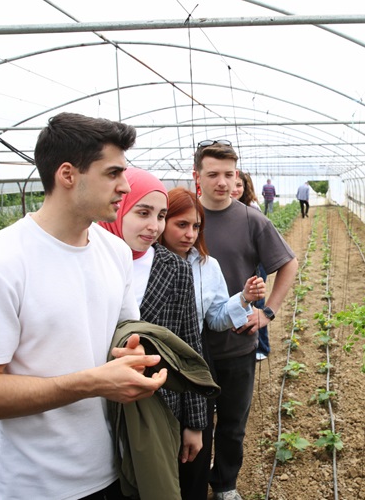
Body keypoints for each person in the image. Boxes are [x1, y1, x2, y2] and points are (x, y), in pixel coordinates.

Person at [0, 112, 168, 499]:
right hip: (38, 484)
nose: (124, 186)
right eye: (113, 173)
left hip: (112, 465)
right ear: (68, 174)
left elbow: (126, 334)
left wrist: (135, 356)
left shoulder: (114, 251)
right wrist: (93, 382)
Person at [193, 141, 298, 500]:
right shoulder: (188, 218)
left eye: (229, 174)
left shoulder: (252, 219)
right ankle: (191, 485)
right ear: (198, 177)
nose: (222, 182)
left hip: (238, 343)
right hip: (193, 347)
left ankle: (224, 484)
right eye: (214, 174)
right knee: (195, 423)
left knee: (233, 423)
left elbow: (288, 264)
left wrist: (267, 312)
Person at [97, 168, 208, 486]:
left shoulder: (174, 267)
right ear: (118, 208)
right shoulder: (94, 263)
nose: (154, 226)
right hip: (101, 406)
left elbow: (189, 345)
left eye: (160, 216)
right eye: (142, 212)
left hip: (162, 403)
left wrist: (196, 423)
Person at [160, 187, 266, 499]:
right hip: (156, 359)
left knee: (196, 437)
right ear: (162, 221)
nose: (190, 234)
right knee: (163, 438)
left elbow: (215, 319)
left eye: (196, 227)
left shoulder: (207, 265)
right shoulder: (144, 262)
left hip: (194, 358)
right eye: (181, 225)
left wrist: (243, 298)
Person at [234, 170, 270, 359]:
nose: (234, 189)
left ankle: (262, 347)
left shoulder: (251, 209)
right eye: (233, 184)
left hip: (256, 263)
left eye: (239, 185)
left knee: (257, 303)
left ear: (246, 188)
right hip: (242, 263)